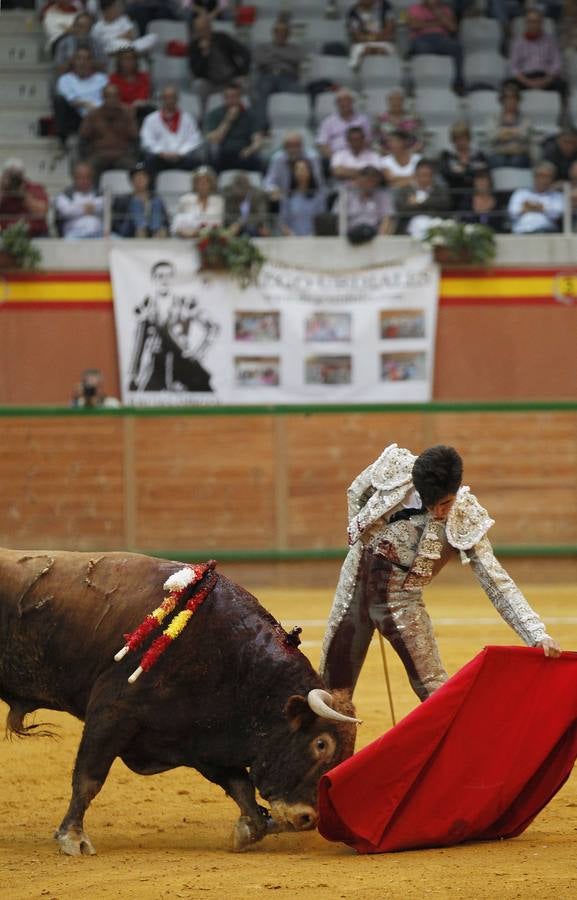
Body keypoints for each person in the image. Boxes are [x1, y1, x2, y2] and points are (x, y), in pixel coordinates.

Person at [320, 443, 561, 702]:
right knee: (331, 689)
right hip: (354, 582)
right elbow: (356, 491)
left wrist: (536, 634)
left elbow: (495, 579)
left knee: (435, 691)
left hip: (401, 599)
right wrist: (362, 537)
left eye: (446, 502)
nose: (439, 512)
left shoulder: (464, 513)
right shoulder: (395, 468)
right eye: (431, 503)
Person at [129, 259, 218, 393]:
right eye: (160, 276)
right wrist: (134, 373)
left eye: (168, 276)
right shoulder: (147, 306)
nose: (164, 280)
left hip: (182, 364)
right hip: (156, 366)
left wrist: (198, 352)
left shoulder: (185, 303)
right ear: (153, 278)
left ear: (173, 279)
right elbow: (139, 341)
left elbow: (213, 327)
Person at [189, 12, 251, 112]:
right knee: (198, 85)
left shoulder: (222, 38)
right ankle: (203, 119)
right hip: (210, 82)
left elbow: (244, 52)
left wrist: (244, 72)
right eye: (200, 30)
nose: (203, 32)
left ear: (210, 27)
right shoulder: (194, 46)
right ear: (196, 31)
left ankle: (245, 115)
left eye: (205, 28)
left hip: (230, 78)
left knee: (245, 84)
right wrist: (204, 55)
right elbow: (196, 72)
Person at [140, 85, 205, 179]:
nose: (169, 100)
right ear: (161, 99)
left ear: (177, 99)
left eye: (172, 97)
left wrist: (181, 153)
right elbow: (146, 140)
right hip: (160, 157)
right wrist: (161, 152)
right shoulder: (151, 119)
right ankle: (152, 190)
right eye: (166, 97)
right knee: (149, 161)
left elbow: (194, 139)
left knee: (196, 161)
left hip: (183, 157)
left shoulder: (188, 118)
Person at [251, 19, 306, 131]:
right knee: (260, 93)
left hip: (288, 77)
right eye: (278, 32)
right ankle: (262, 128)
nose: (281, 34)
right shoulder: (262, 47)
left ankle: (293, 126)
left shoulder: (295, 48)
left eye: (284, 32)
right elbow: (260, 60)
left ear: (288, 34)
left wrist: (274, 55)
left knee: (298, 93)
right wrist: (284, 57)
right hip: (267, 76)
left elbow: (297, 58)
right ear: (273, 33)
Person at [78, 82, 139, 181]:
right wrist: (87, 154)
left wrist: (132, 154)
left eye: (114, 97)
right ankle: (93, 194)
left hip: (122, 154)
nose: (111, 100)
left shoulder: (127, 114)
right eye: (108, 97)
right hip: (99, 154)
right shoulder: (93, 115)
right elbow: (83, 138)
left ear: (119, 98)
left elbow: (135, 138)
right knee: (87, 169)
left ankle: (134, 195)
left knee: (137, 170)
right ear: (103, 98)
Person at [54, 47, 109, 150]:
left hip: (98, 116)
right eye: (79, 58)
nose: (83, 62)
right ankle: (63, 139)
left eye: (86, 59)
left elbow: (107, 99)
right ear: (73, 62)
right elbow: (70, 100)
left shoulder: (102, 78)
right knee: (59, 100)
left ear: (91, 62)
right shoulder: (65, 79)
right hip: (76, 116)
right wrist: (86, 104)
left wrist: (95, 110)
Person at [204, 82, 264, 173]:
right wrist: (228, 120)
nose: (231, 100)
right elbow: (214, 140)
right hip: (223, 153)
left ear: (240, 98)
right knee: (211, 157)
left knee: (258, 161)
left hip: (244, 152)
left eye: (234, 96)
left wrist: (250, 149)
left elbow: (257, 140)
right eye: (228, 97)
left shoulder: (250, 114)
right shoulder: (215, 114)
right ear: (224, 98)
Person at [508, 7, 566, 97]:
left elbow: (557, 63)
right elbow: (514, 67)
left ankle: (562, 111)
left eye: (536, 21)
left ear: (541, 23)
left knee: (562, 85)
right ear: (526, 23)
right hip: (525, 77)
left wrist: (546, 80)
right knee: (508, 86)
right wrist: (527, 81)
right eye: (530, 21)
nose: (533, 25)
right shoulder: (518, 42)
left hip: (545, 77)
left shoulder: (550, 41)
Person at [437, 121, 489, 211]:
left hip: (475, 195)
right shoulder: (446, 156)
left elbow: (483, 174)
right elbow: (446, 174)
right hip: (453, 195)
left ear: (469, 138)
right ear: (453, 140)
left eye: (463, 138)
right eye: (457, 139)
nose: (460, 142)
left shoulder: (479, 156)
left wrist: (463, 170)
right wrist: (469, 171)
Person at [316, 89, 372, 171]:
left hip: (360, 157)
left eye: (346, 100)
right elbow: (322, 144)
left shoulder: (363, 120)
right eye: (340, 101)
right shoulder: (328, 121)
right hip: (335, 159)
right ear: (336, 104)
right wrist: (336, 159)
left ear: (352, 102)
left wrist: (356, 158)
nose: (343, 104)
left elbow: (368, 141)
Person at [394, 157, 450, 235]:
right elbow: (401, 207)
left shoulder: (439, 189)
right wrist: (428, 204)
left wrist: (419, 202)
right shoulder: (406, 189)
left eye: (427, 175)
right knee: (419, 224)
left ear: (432, 176)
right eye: (422, 175)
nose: (424, 178)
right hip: (410, 224)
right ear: (415, 175)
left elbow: (445, 203)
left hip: (434, 221)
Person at [111, 162, 169, 237]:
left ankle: (156, 231)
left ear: (148, 179)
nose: (140, 180)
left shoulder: (157, 199)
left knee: (156, 202)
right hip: (130, 230)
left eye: (143, 177)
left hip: (153, 228)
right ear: (131, 180)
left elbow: (165, 220)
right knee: (136, 202)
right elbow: (116, 221)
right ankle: (141, 230)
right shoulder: (122, 199)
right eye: (137, 177)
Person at [263, 131, 324, 203]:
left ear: (302, 145)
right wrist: (273, 189)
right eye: (289, 145)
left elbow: (319, 183)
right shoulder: (277, 159)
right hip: (285, 199)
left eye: (296, 145)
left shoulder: (312, 157)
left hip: (310, 197)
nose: (293, 149)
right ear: (283, 146)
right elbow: (268, 182)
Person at [336, 165, 395, 236]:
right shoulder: (347, 195)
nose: (369, 184)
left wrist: (379, 239)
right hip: (351, 234)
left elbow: (387, 219)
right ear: (359, 180)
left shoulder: (382, 196)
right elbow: (339, 219)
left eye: (373, 181)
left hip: (374, 234)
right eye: (367, 180)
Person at [486, 80, 533, 170]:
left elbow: (524, 135)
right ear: (502, 100)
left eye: (513, 98)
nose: (510, 101)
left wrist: (503, 132)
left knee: (517, 161)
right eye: (507, 98)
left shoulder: (526, 118)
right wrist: (514, 132)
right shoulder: (493, 118)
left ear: (518, 100)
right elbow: (492, 136)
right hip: (498, 153)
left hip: (519, 153)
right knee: (498, 161)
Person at [507, 161, 564, 234]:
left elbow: (557, 215)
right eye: (540, 175)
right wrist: (540, 208)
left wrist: (529, 207)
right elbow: (512, 213)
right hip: (521, 232)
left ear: (552, 179)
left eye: (546, 176)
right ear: (534, 177)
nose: (542, 179)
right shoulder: (520, 193)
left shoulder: (558, 196)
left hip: (546, 233)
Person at [0, 158, 49, 237]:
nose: (13, 179)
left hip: (34, 233)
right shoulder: (2, 189)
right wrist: (2, 190)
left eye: (17, 175)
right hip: (4, 232)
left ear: (23, 175)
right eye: (10, 175)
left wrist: (23, 195)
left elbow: (42, 212)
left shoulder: (35, 188)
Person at [54, 161, 104, 239]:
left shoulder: (99, 193)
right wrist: (88, 208)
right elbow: (66, 211)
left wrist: (76, 207)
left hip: (99, 234)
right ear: (74, 178)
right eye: (80, 177)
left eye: (88, 177)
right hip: (74, 235)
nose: (84, 181)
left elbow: (103, 205)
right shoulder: (65, 195)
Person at [170, 166, 224, 237]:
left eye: (206, 182)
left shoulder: (218, 201)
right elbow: (175, 226)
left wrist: (199, 232)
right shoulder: (185, 200)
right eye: (199, 182)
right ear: (194, 184)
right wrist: (182, 231)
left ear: (211, 184)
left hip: (210, 240)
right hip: (186, 240)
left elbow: (219, 224)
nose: (202, 185)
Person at [91, 0, 158, 57]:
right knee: (116, 43)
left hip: (130, 45)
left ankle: (130, 51)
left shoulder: (123, 19)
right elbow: (99, 46)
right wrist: (121, 37)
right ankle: (130, 52)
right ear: (106, 10)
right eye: (114, 8)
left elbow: (131, 35)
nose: (117, 9)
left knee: (153, 37)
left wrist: (115, 37)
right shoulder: (97, 27)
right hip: (111, 49)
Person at [279, 159, 326, 236]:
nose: (301, 172)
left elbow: (322, 221)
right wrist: (292, 236)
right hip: (292, 239)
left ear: (310, 172)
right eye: (298, 169)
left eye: (304, 169)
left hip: (314, 239)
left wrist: (312, 236)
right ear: (293, 173)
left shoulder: (318, 196)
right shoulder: (288, 196)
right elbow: (283, 222)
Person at [108, 47, 155, 126]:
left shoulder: (144, 77)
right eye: (124, 59)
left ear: (136, 61)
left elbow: (143, 97)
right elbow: (113, 97)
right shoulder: (113, 79)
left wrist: (135, 105)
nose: (128, 62)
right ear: (119, 62)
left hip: (140, 111)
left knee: (151, 112)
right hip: (119, 112)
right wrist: (125, 107)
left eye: (131, 59)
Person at [346, 0, 396, 71]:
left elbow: (389, 31)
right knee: (359, 52)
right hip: (362, 44)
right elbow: (357, 36)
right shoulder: (353, 11)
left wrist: (372, 40)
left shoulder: (386, 6)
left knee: (384, 51)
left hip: (384, 42)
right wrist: (373, 40)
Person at [52, 11, 108, 75]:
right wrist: (73, 61)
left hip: (92, 78)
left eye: (87, 27)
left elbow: (104, 65)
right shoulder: (64, 43)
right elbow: (59, 69)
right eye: (80, 26)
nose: (82, 30)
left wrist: (87, 61)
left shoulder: (96, 43)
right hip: (69, 78)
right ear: (74, 26)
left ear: (90, 28)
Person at [373, 88, 423, 155]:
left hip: (410, 155)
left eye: (399, 100)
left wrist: (408, 153)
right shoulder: (380, 119)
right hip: (385, 156)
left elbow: (421, 140)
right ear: (388, 101)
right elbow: (374, 142)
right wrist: (387, 153)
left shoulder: (414, 117)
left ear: (403, 101)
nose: (396, 103)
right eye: (393, 100)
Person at [223, 171, 271, 236]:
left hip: (254, 227)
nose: (240, 192)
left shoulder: (258, 195)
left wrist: (240, 223)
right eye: (237, 187)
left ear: (248, 186)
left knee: (252, 229)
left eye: (243, 188)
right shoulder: (228, 195)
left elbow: (260, 216)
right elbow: (226, 215)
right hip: (233, 227)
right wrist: (235, 225)